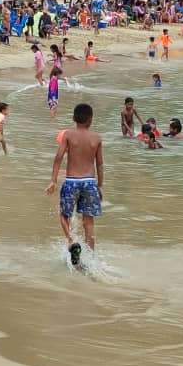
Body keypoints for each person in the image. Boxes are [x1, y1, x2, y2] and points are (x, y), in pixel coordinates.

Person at [47, 103, 104, 266]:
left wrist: (53, 180)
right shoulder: (97, 138)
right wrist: (100, 186)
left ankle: (72, 242)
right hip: (90, 182)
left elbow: (58, 157)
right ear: (91, 120)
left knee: (64, 215)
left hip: (72, 181)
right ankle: (90, 259)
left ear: (73, 118)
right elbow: (100, 164)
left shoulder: (68, 135)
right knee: (89, 221)